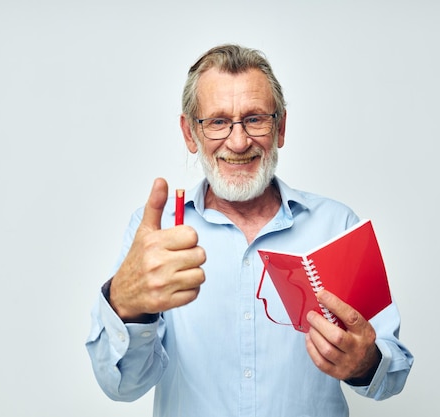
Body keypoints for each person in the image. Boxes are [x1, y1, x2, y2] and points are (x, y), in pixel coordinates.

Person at [86, 44, 413, 417]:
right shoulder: (156, 234)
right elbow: (123, 386)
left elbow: (393, 371)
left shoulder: (336, 226)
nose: (239, 142)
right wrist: (125, 307)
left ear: (281, 127)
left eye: (255, 119)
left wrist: (365, 363)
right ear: (190, 133)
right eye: (218, 121)